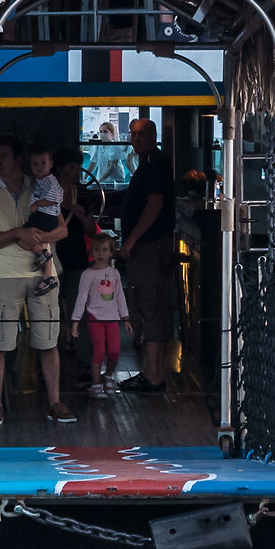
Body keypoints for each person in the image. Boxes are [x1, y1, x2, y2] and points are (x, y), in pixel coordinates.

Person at [0, 134, 75, 424]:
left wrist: (37, 238)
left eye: (3, 156)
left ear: (17, 160)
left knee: (49, 341)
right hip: (3, 273)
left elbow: (62, 231)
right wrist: (17, 234)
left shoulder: (39, 187)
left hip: (42, 271)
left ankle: (55, 401)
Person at [115, 117, 178, 394]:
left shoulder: (155, 163)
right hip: (151, 245)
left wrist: (132, 238)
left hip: (151, 247)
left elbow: (154, 204)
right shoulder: (148, 163)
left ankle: (153, 374)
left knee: (150, 305)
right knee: (152, 304)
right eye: (133, 134)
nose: (136, 139)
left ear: (153, 136)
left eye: (142, 134)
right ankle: (154, 371)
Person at [72, 231, 131, 394]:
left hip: (112, 317)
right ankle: (96, 383)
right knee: (99, 350)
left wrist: (125, 317)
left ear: (111, 252)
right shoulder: (87, 274)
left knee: (114, 351)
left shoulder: (115, 274)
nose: (100, 253)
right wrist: (76, 319)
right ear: (92, 251)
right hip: (94, 317)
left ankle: (109, 375)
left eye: (104, 250)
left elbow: (120, 296)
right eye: (97, 249)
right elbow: (82, 297)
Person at [25, 144, 66, 296]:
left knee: (25, 237)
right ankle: (47, 278)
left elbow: (54, 199)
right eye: (35, 164)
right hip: (45, 216)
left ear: (51, 164)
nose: (39, 167)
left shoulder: (50, 181)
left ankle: (43, 255)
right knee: (43, 244)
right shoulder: (38, 180)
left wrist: (37, 204)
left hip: (45, 216)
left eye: (43, 163)